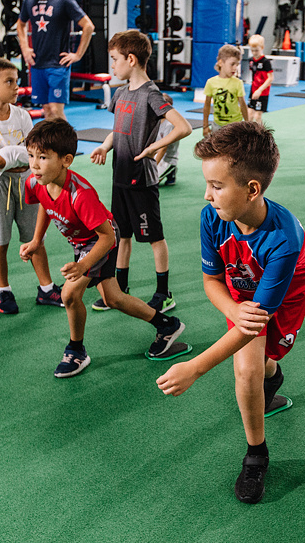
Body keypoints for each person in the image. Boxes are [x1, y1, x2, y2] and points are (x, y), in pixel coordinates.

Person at [156, 122, 305, 505]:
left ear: (252, 189)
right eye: (207, 184)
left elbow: (256, 320)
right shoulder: (212, 216)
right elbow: (212, 280)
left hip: (289, 284)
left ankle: (271, 374)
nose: (207, 194)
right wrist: (233, 308)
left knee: (268, 355)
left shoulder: (285, 240)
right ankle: (257, 454)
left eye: (217, 185)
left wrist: (194, 368)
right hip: (241, 289)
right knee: (246, 369)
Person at [20, 119, 188, 377]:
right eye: (31, 155)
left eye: (43, 157)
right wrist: (35, 241)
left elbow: (107, 238)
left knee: (69, 295)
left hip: (100, 240)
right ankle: (166, 325)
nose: (34, 164)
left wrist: (84, 265)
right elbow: (46, 204)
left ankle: (76, 350)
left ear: (66, 160)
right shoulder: (35, 182)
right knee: (113, 298)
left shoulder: (80, 194)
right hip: (83, 243)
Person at [89, 31, 192, 312]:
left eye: (115, 59)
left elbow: (183, 127)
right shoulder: (121, 93)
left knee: (154, 238)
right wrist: (104, 146)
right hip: (120, 177)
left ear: (131, 59)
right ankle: (120, 288)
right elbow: (118, 130)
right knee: (122, 235)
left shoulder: (151, 94)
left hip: (141, 180)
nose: (113, 65)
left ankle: (164, 293)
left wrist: (154, 147)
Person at [0, 56, 64, 314]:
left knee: (35, 238)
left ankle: (46, 288)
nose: (17, 87)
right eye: (9, 82)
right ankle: (3, 291)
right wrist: (7, 158)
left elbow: (32, 151)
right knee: (0, 240)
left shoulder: (21, 115)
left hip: (27, 183)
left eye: (16, 81)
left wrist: (9, 157)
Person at [16, 0, 95, 121]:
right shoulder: (28, 1)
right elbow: (20, 24)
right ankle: (53, 138)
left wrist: (78, 55)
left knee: (55, 110)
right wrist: (25, 48)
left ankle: (67, 138)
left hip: (58, 65)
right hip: (38, 64)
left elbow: (88, 26)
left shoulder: (64, 0)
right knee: (46, 110)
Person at [203, 45, 248, 137]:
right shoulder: (211, 82)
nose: (235, 68)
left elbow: (243, 105)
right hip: (217, 125)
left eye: (237, 65)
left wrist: (248, 124)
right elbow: (207, 105)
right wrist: (205, 126)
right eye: (232, 64)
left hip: (235, 125)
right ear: (221, 63)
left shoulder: (238, 83)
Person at [247, 35, 273, 125]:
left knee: (257, 116)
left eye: (256, 50)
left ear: (262, 48)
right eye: (252, 50)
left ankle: (262, 132)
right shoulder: (251, 60)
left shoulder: (266, 62)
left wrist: (260, 90)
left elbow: (270, 78)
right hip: (253, 91)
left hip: (262, 93)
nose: (254, 53)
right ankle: (248, 132)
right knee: (249, 115)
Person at [153, 93, 180, 186]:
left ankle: (171, 168)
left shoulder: (170, 124)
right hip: (155, 154)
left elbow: (164, 148)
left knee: (150, 183)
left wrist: (153, 166)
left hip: (167, 158)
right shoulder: (155, 120)